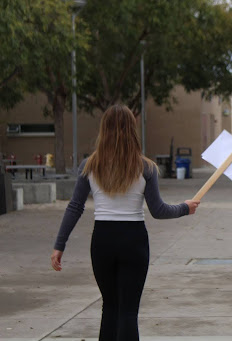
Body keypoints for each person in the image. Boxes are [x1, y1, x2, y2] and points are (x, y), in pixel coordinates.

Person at [50, 105, 200, 341]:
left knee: (109, 307)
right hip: (134, 241)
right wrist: (185, 208)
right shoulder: (146, 167)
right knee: (128, 312)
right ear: (132, 129)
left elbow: (75, 208)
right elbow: (158, 211)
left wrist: (59, 245)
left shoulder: (89, 165)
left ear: (104, 130)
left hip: (102, 241)